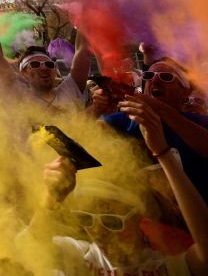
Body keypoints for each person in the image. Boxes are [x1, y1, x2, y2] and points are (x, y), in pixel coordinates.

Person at [24, 90, 208, 275]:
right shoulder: (80, 256)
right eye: (86, 219)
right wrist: (51, 198)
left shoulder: (162, 268)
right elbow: (27, 247)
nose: (98, 231)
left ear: (139, 220)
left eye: (112, 222)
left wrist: (162, 153)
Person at [0, 0, 91, 110]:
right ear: (23, 73)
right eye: (35, 65)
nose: (44, 68)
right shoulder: (18, 94)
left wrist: (87, 6)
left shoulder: (70, 90)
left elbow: (82, 50)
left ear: (55, 70)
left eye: (49, 64)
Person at [100, 58, 208, 201]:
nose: (155, 81)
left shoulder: (200, 122)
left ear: (184, 91)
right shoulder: (126, 119)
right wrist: (96, 108)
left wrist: (161, 110)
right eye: (149, 76)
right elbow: (92, 132)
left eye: (166, 77)